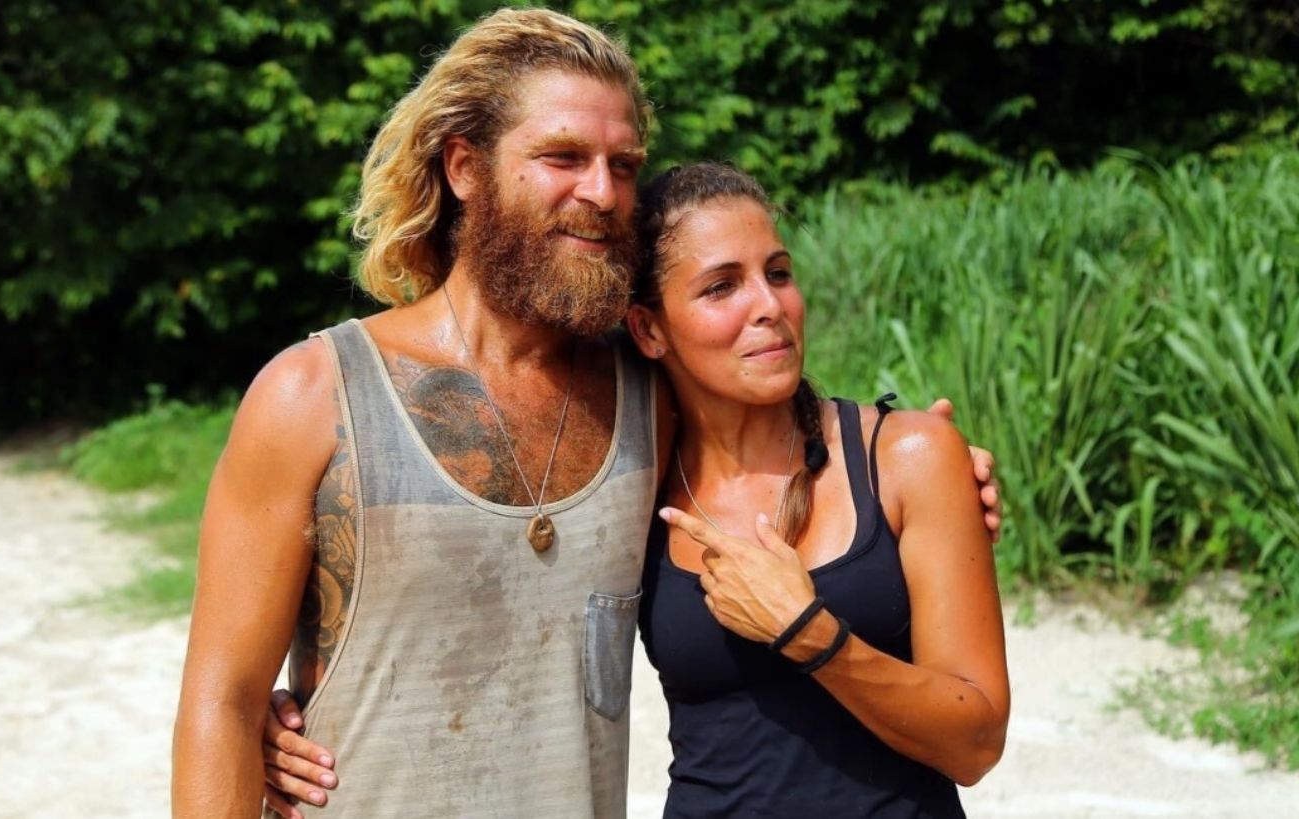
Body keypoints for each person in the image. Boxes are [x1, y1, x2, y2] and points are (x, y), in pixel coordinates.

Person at [174, 9, 1002, 819]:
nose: (603, 192)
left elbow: (771, 422)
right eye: (563, 156)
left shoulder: (643, 397)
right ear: (465, 167)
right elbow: (221, 701)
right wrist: (259, 729)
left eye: (624, 164)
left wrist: (934, 479)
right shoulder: (315, 396)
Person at [632, 163, 1008, 816]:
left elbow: (975, 743)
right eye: (722, 286)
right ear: (648, 329)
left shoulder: (908, 458)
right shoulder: (629, 487)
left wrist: (810, 634)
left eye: (778, 273)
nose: (770, 306)